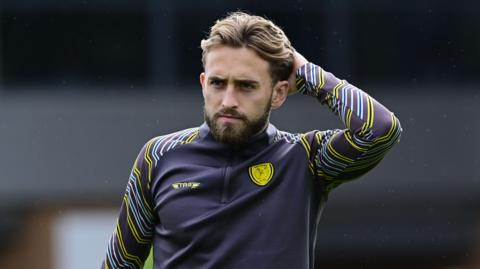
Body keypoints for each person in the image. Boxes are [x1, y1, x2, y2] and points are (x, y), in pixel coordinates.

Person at [101, 11, 402, 269]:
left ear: (279, 92)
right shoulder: (158, 156)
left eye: (246, 86)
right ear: (204, 84)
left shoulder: (306, 159)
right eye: (218, 83)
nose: (228, 100)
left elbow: (379, 129)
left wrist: (309, 74)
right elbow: (120, 264)